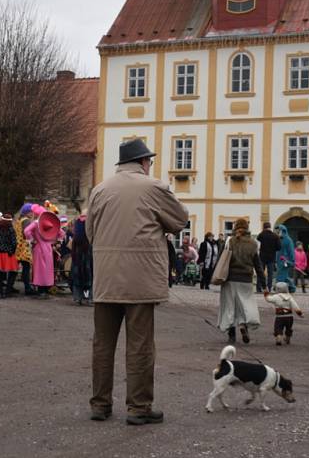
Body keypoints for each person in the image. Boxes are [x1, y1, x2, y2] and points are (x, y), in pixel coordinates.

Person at [86, 138, 188, 425]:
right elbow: (180, 220)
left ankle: (100, 404)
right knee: (140, 345)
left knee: (103, 344)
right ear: (144, 162)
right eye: (150, 161)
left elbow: (91, 232)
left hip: (106, 278)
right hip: (140, 279)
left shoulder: (100, 189)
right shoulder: (153, 187)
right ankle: (138, 407)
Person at [218, 218, 264, 345]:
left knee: (230, 307)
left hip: (230, 279)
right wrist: (264, 284)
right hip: (246, 280)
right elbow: (258, 265)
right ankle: (244, 325)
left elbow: (221, 259)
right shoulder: (253, 244)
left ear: (235, 227)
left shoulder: (230, 241)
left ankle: (231, 335)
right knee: (245, 306)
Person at [24, 205, 63, 299]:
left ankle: (40, 290)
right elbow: (61, 232)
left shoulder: (35, 223)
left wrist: (32, 240)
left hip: (38, 248)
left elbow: (26, 231)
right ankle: (46, 290)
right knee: (47, 270)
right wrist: (58, 242)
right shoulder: (49, 223)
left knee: (39, 270)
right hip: (48, 248)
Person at [71, 213, 93, 305]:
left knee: (77, 277)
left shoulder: (77, 223)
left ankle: (77, 298)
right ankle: (88, 298)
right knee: (90, 277)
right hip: (87, 255)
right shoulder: (89, 223)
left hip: (77, 255)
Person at [15, 204, 35, 295]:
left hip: (18, 247)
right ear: (28, 212)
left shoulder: (19, 220)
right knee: (26, 269)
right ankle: (27, 288)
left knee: (14, 269)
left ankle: (9, 286)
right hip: (24, 248)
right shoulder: (27, 221)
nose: (33, 213)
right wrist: (32, 240)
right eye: (31, 211)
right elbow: (27, 233)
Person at [256, 222, 280, 293]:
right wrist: (273, 248)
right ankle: (269, 288)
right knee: (270, 274)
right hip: (271, 257)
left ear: (264, 227)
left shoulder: (262, 235)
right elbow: (279, 247)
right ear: (270, 227)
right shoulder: (275, 236)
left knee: (260, 273)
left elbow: (258, 238)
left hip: (262, 257)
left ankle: (259, 288)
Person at [274, 225, 296, 292]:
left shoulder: (288, 240)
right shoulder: (278, 239)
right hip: (279, 260)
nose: (277, 232)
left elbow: (291, 251)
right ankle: (292, 287)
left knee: (280, 275)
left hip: (285, 261)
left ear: (282, 231)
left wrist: (292, 261)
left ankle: (278, 288)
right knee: (285, 276)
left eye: (278, 230)